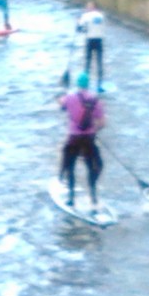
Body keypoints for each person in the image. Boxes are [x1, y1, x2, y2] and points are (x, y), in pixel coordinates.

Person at [58, 73, 106, 210]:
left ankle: (71, 199)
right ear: (88, 84)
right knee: (96, 166)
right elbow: (102, 123)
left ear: (78, 84)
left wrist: (62, 96)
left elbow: (62, 105)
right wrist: (94, 130)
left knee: (69, 166)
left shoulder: (70, 97)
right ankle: (93, 196)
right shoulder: (95, 100)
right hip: (89, 140)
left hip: (73, 139)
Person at [78, 1, 105, 91]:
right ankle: (100, 82)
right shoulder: (101, 16)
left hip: (90, 40)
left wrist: (78, 23)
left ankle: (85, 83)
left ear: (90, 8)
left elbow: (80, 29)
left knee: (88, 61)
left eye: (88, 7)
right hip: (99, 40)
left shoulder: (85, 16)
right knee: (99, 61)